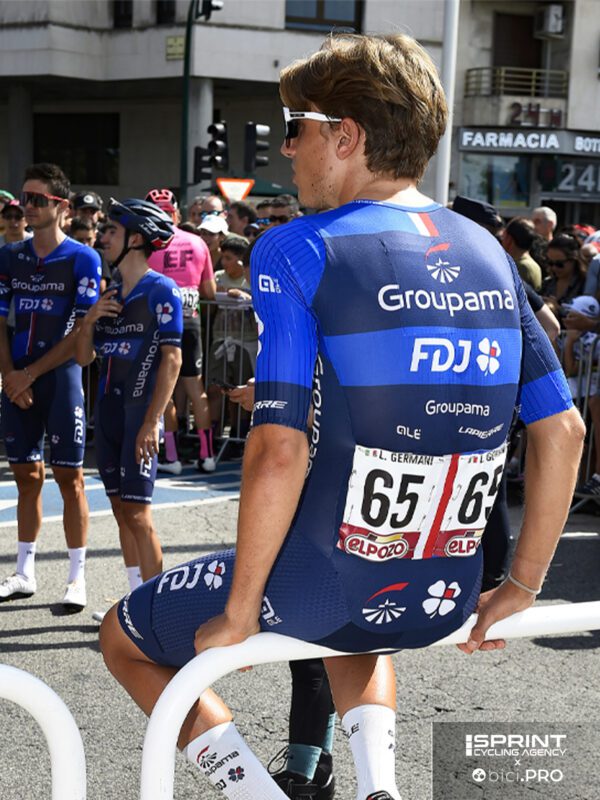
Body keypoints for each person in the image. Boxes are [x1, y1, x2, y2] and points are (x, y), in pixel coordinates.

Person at [100, 33, 584, 800]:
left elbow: (279, 447)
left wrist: (238, 611)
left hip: (330, 585)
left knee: (122, 638)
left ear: (346, 136)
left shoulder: (297, 247)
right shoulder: (486, 250)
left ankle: (257, 795)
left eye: (296, 127)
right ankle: (378, 790)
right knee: (357, 612)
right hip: (451, 589)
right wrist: (521, 585)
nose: (287, 149)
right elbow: (563, 430)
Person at [0, 162, 101, 608]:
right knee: (26, 476)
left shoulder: (83, 258)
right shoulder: (9, 256)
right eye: (25, 198)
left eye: (38, 199)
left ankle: (77, 578)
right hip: (16, 380)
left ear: (62, 207)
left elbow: (81, 332)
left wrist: (29, 374)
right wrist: (10, 375)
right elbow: (0, 322)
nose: (28, 206)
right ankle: (24, 572)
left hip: (59, 380)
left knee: (69, 478)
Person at [75, 198, 182, 598]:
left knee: (138, 513)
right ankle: (134, 602)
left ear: (135, 239)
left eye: (111, 231)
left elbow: (173, 359)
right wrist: (89, 320)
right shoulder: (112, 293)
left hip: (140, 414)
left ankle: (154, 609)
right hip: (108, 412)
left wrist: (153, 421)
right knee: (121, 510)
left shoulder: (162, 290)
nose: (102, 238)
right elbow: (84, 358)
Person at [145, 188, 217, 474]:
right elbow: (209, 290)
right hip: (191, 319)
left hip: (160, 321)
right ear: (175, 212)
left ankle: (172, 457)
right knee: (195, 388)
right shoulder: (197, 242)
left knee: (166, 389)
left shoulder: (149, 243)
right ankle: (207, 455)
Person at [542, 233, 586, 321]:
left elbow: (585, 319)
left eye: (559, 264)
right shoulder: (547, 283)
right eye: (550, 263)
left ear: (574, 260)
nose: (554, 268)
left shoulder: (584, 285)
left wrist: (558, 309)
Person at [501, 217, 543, 292]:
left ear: (509, 239)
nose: (502, 239)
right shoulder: (530, 265)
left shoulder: (521, 267)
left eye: (504, 235)